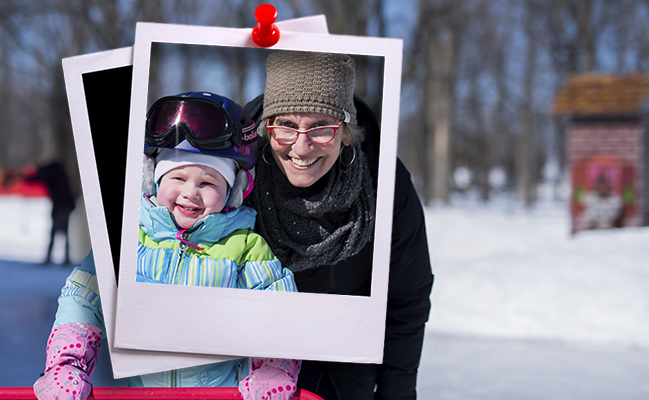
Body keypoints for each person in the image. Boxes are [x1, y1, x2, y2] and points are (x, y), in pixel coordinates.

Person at [34, 92, 301, 400]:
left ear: (234, 191)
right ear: (153, 179)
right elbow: (83, 299)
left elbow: (278, 313)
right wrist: (66, 365)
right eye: (178, 177)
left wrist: (272, 370)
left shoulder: (246, 249)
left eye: (207, 183)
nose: (191, 193)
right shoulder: (129, 242)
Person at [240, 51, 434, 400]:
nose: (301, 147)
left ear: (345, 133)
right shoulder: (235, 176)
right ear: (267, 129)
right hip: (247, 368)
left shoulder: (384, 181)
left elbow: (406, 301)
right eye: (286, 125)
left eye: (321, 127)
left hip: (343, 369)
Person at [25, 161, 76, 265]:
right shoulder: (58, 172)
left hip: (61, 206)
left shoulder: (51, 173)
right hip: (64, 205)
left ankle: (55, 258)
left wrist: (26, 177)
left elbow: (37, 178)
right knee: (63, 232)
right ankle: (64, 258)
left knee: (57, 232)